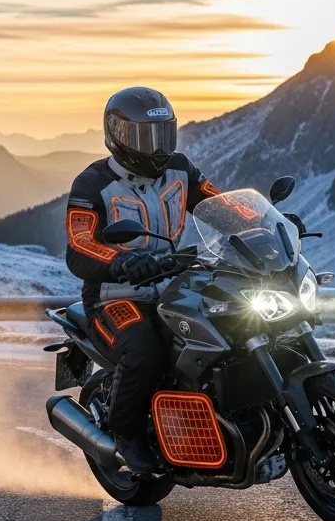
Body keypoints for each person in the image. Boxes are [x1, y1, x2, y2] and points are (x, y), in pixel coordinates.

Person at [64, 86, 221, 474]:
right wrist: (121, 262)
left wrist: (264, 224)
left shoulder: (180, 169)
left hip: (175, 287)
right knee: (144, 351)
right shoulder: (92, 185)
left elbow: (218, 203)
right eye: (144, 137)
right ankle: (125, 435)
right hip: (115, 298)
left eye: (163, 134)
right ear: (117, 135)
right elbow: (79, 246)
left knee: (227, 331)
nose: (156, 147)